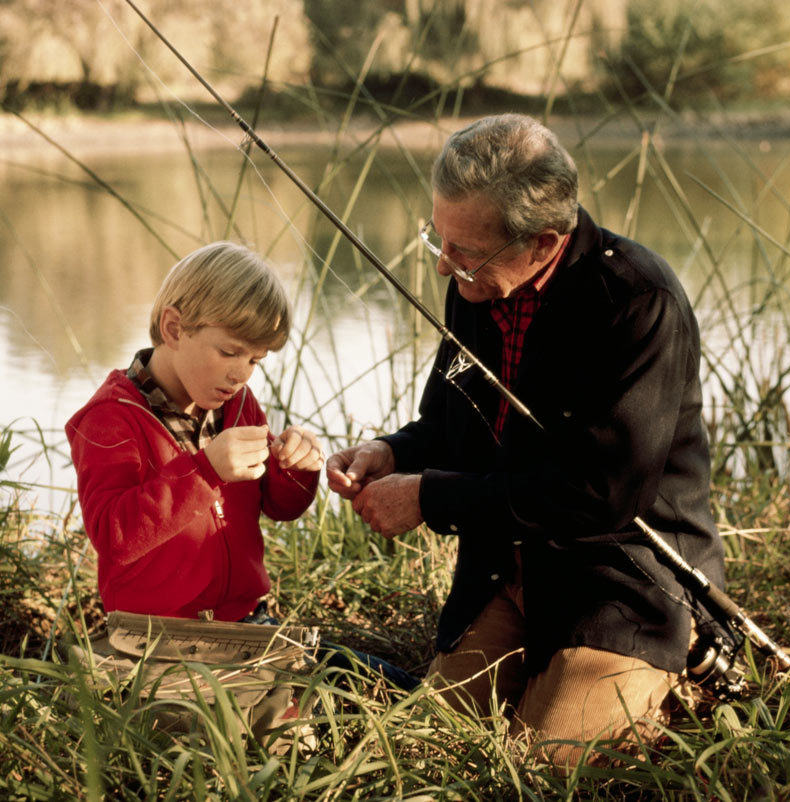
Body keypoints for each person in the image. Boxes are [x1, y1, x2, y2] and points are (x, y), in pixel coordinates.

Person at [326, 114, 727, 768]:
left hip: (622, 585)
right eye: (438, 237)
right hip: (510, 571)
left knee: (533, 771)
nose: (441, 264)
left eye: (464, 250)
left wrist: (429, 499)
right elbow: (447, 424)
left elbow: (599, 497)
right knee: (415, 756)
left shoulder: (636, 303)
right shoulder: (472, 288)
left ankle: (663, 684)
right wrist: (392, 453)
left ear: (543, 242)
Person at [66, 240, 323, 623]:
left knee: (362, 672)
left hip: (243, 620)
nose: (241, 374)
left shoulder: (237, 404)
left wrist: (296, 467)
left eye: (255, 360)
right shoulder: (110, 419)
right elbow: (112, 535)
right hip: (154, 636)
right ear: (174, 329)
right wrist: (205, 472)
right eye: (229, 352)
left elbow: (279, 506)